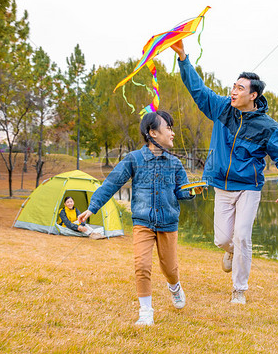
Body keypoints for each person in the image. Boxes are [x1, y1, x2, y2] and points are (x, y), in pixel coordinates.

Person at [171, 40, 278, 305]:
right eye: (233, 86)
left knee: (242, 236)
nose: (233, 91)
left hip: (249, 187)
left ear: (253, 96)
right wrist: (183, 59)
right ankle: (230, 252)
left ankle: (239, 289)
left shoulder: (268, 127)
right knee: (223, 239)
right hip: (221, 186)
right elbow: (198, 89)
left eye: (240, 88)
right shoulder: (222, 109)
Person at [77, 110, 200, 326]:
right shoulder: (133, 159)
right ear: (152, 133)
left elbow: (181, 192)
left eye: (172, 129)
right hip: (142, 223)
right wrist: (92, 207)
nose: (172, 133)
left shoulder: (175, 164)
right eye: (168, 128)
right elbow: (112, 183)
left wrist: (191, 191)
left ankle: (174, 287)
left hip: (168, 223)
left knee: (170, 268)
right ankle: (146, 311)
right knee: (142, 265)